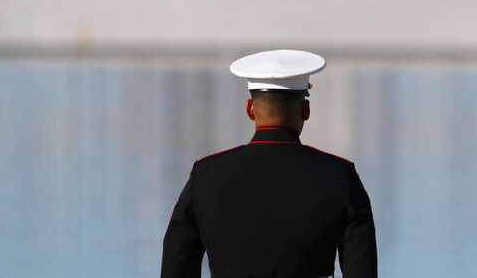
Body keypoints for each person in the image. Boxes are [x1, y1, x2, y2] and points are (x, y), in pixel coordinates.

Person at [161, 49, 377, 277]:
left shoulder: (205, 175)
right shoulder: (340, 176)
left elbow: (176, 266)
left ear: (250, 110)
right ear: (306, 110)